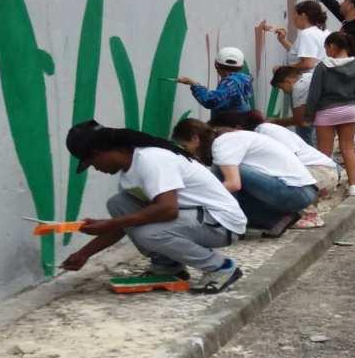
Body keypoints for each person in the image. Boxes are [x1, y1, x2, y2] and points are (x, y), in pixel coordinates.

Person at [61, 121, 246, 294]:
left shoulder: (151, 159)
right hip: (199, 217)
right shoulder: (130, 174)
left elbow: (168, 209)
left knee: (147, 233)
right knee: (119, 203)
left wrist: (109, 224)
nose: (96, 168)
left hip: (222, 222)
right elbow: (123, 227)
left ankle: (221, 267)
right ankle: (168, 266)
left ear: (99, 152)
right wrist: (84, 254)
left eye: (92, 163)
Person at [172, 118, 318, 236]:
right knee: (223, 176)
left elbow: (233, 184)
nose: (187, 152)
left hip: (296, 192)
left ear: (195, 138)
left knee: (221, 173)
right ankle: (276, 219)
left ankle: (230, 224)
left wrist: (193, 197)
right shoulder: (231, 139)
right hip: (301, 191)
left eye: (185, 146)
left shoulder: (222, 143)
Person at [304, 32, 355, 196]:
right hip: (349, 111)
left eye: (326, 47)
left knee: (324, 152)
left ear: (332, 46)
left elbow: (314, 94)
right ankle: (354, 185)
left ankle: (324, 189)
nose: (325, 51)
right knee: (347, 148)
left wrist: (308, 116)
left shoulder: (323, 67)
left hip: (326, 112)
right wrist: (349, 96)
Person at [255, 120, 339, 228]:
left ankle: (307, 215)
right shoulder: (271, 129)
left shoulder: (265, 131)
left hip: (318, 172)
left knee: (280, 178)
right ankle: (309, 213)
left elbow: (291, 157)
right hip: (326, 171)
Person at [178, 47, 253, 125]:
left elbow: (210, 101)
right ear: (241, 66)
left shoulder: (231, 83)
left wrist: (194, 84)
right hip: (240, 125)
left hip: (230, 128)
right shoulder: (243, 79)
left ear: (216, 65)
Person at [274, 0, 330, 71]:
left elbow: (308, 64)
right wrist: (283, 40)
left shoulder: (307, 34)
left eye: (294, 14)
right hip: (317, 78)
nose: (292, 18)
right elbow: (299, 53)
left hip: (307, 79)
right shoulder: (322, 32)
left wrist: (284, 69)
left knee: (276, 70)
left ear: (303, 16)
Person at [268, 66, 316, 146]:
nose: (284, 92)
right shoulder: (307, 76)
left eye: (282, 87)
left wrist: (274, 122)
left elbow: (300, 121)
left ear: (287, 81)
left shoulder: (297, 88)